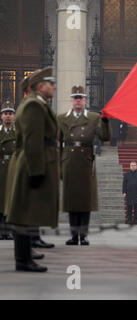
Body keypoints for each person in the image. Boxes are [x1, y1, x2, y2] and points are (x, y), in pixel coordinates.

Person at [4, 67, 59, 272]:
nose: (53, 86)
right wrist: (36, 171)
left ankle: (25, 257)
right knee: (24, 213)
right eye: (49, 83)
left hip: (31, 162)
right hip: (30, 164)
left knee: (26, 212)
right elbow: (32, 142)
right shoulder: (34, 106)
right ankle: (23, 260)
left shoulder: (38, 104)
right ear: (39, 86)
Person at [58, 85, 111, 246]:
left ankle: (84, 235)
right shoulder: (62, 118)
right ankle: (74, 235)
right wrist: (59, 165)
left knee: (85, 201)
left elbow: (105, 137)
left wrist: (105, 121)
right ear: (71, 101)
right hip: (69, 160)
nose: (78, 101)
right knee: (72, 201)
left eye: (81, 98)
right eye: (75, 98)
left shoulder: (94, 118)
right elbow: (57, 142)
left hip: (86, 161)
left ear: (85, 100)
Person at [0, 101, 16, 240]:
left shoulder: (18, 133)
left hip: (13, 168)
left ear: (14, 116)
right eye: (5, 114)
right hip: (1, 169)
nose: (8, 117)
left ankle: (9, 230)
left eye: (10, 114)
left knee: (10, 201)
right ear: (1, 116)